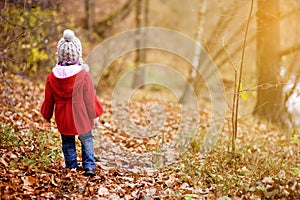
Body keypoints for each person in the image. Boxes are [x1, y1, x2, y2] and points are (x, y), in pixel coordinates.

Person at [41, 29, 103, 177]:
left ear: (60, 55)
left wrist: (46, 115)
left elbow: (49, 100)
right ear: (78, 54)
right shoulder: (83, 75)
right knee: (87, 140)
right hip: (82, 117)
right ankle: (89, 167)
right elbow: (90, 99)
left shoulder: (52, 77)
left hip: (63, 118)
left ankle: (72, 167)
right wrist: (95, 115)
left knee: (68, 143)